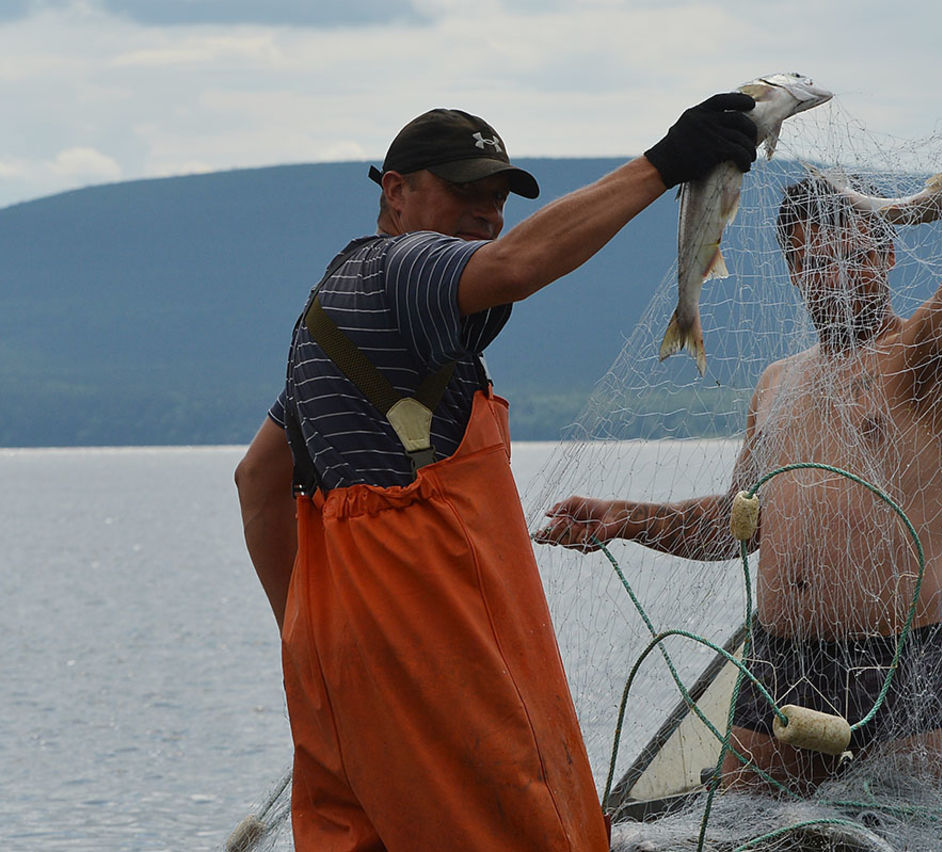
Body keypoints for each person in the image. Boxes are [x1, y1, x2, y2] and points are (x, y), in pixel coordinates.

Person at [233, 96, 759, 850]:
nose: (486, 214)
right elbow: (515, 266)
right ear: (395, 194)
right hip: (434, 657)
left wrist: (310, 636)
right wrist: (664, 164)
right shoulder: (399, 265)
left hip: (339, 674)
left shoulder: (335, 316)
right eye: (463, 192)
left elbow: (258, 479)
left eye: (496, 200)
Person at [534, 77, 942, 804]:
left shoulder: (923, 359)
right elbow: (738, 523)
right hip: (778, 666)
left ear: (887, 257)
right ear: (793, 272)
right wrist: (626, 518)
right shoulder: (778, 382)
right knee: (736, 831)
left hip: (896, 668)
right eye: (815, 262)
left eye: (855, 255)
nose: (835, 276)